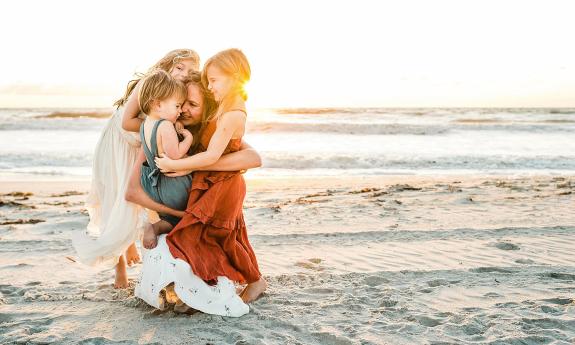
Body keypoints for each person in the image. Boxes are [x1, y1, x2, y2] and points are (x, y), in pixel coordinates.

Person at [127, 70, 261, 316]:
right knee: (183, 237)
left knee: (209, 232)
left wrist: (193, 163)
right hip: (183, 206)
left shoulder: (214, 132)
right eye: (181, 103)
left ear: (207, 107)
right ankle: (185, 290)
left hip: (213, 199)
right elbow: (131, 192)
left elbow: (253, 157)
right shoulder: (166, 131)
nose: (183, 109)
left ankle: (238, 282)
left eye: (192, 104)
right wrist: (176, 213)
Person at [71, 49, 199, 289]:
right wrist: (162, 125)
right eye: (179, 67)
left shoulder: (177, 93)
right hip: (119, 144)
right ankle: (120, 269)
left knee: (141, 200)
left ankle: (137, 248)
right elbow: (127, 122)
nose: (184, 74)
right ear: (166, 65)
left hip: (142, 145)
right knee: (117, 200)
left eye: (190, 71)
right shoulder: (149, 84)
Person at [155, 48, 267, 303]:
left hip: (224, 185)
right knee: (224, 236)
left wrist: (185, 166)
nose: (211, 86)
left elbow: (226, 156)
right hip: (215, 184)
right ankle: (220, 284)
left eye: (214, 81)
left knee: (220, 237)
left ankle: (254, 280)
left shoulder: (229, 116)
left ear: (235, 77)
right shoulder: (220, 112)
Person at [137, 70, 192, 228]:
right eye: (177, 106)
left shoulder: (145, 125)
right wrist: (188, 138)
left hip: (152, 187)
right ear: (158, 104)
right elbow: (174, 155)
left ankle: (160, 225)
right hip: (172, 186)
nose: (180, 111)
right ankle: (158, 227)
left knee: (172, 221)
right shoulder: (165, 125)